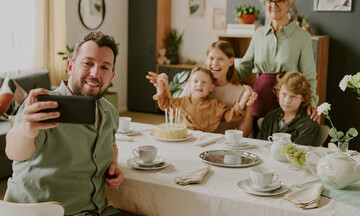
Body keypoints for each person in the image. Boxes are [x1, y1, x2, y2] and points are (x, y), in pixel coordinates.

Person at [5, 32, 133, 216]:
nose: (95, 73)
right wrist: (26, 130)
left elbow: (112, 145)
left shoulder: (110, 112)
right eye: (87, 63)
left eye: (104, 67)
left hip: (97, 210)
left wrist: (113, 166)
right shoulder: (44, 106)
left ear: (111, 77)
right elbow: (14, 152)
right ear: (70, 66)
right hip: (45, 213)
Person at [235, 0, 320, 136]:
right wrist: (216, 74)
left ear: (290, 2)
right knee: (257, 142)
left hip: (289, 100)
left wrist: (312, 103)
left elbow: (309, 77)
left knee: (283, 147)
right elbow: (244, 67)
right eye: (269, 1)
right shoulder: (259, 34)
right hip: (260, 98)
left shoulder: (302, 37)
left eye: (279, 0)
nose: (273, 5)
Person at [147, 41, 254, 135]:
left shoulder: (237, 93)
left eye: (220, 59)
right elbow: (175, 110)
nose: (215, 63)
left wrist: (247, 102)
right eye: (211, 58)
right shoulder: (195, 84)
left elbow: (242, 132)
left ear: (231, 62)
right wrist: (163, 87)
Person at [154, 66, 257, 133]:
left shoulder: (215, 105)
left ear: (211, 87)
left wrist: (245, 98)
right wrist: (160, 86)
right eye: (196, 81)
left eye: (204, 82)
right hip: (185, 141)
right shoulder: (183, 102)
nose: (199, 84)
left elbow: (232, 114)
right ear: (189, 84)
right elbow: (166, 104)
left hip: (209, 144)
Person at [257, 72, 319, 146]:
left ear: (303, 98)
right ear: (278, 93)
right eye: (284, 94)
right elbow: (259, 145)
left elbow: (299, 152)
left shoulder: (309, 123)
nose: (287, 101)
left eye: (293, 96)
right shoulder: (270, 117)